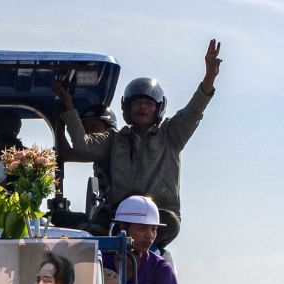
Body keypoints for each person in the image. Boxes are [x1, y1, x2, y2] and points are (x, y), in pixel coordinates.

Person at [55, 39, 222, 248]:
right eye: (138, 103)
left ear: (158, 108)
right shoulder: (115, 139)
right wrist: (69, 109)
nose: (143, 108)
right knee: (68, 223)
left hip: (159, 216)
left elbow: (195, 109)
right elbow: (82, 146)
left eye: (149, 104)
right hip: (120, 218)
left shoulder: (171, 134)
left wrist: (209, 76)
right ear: (126, 108)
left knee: (163, 223)